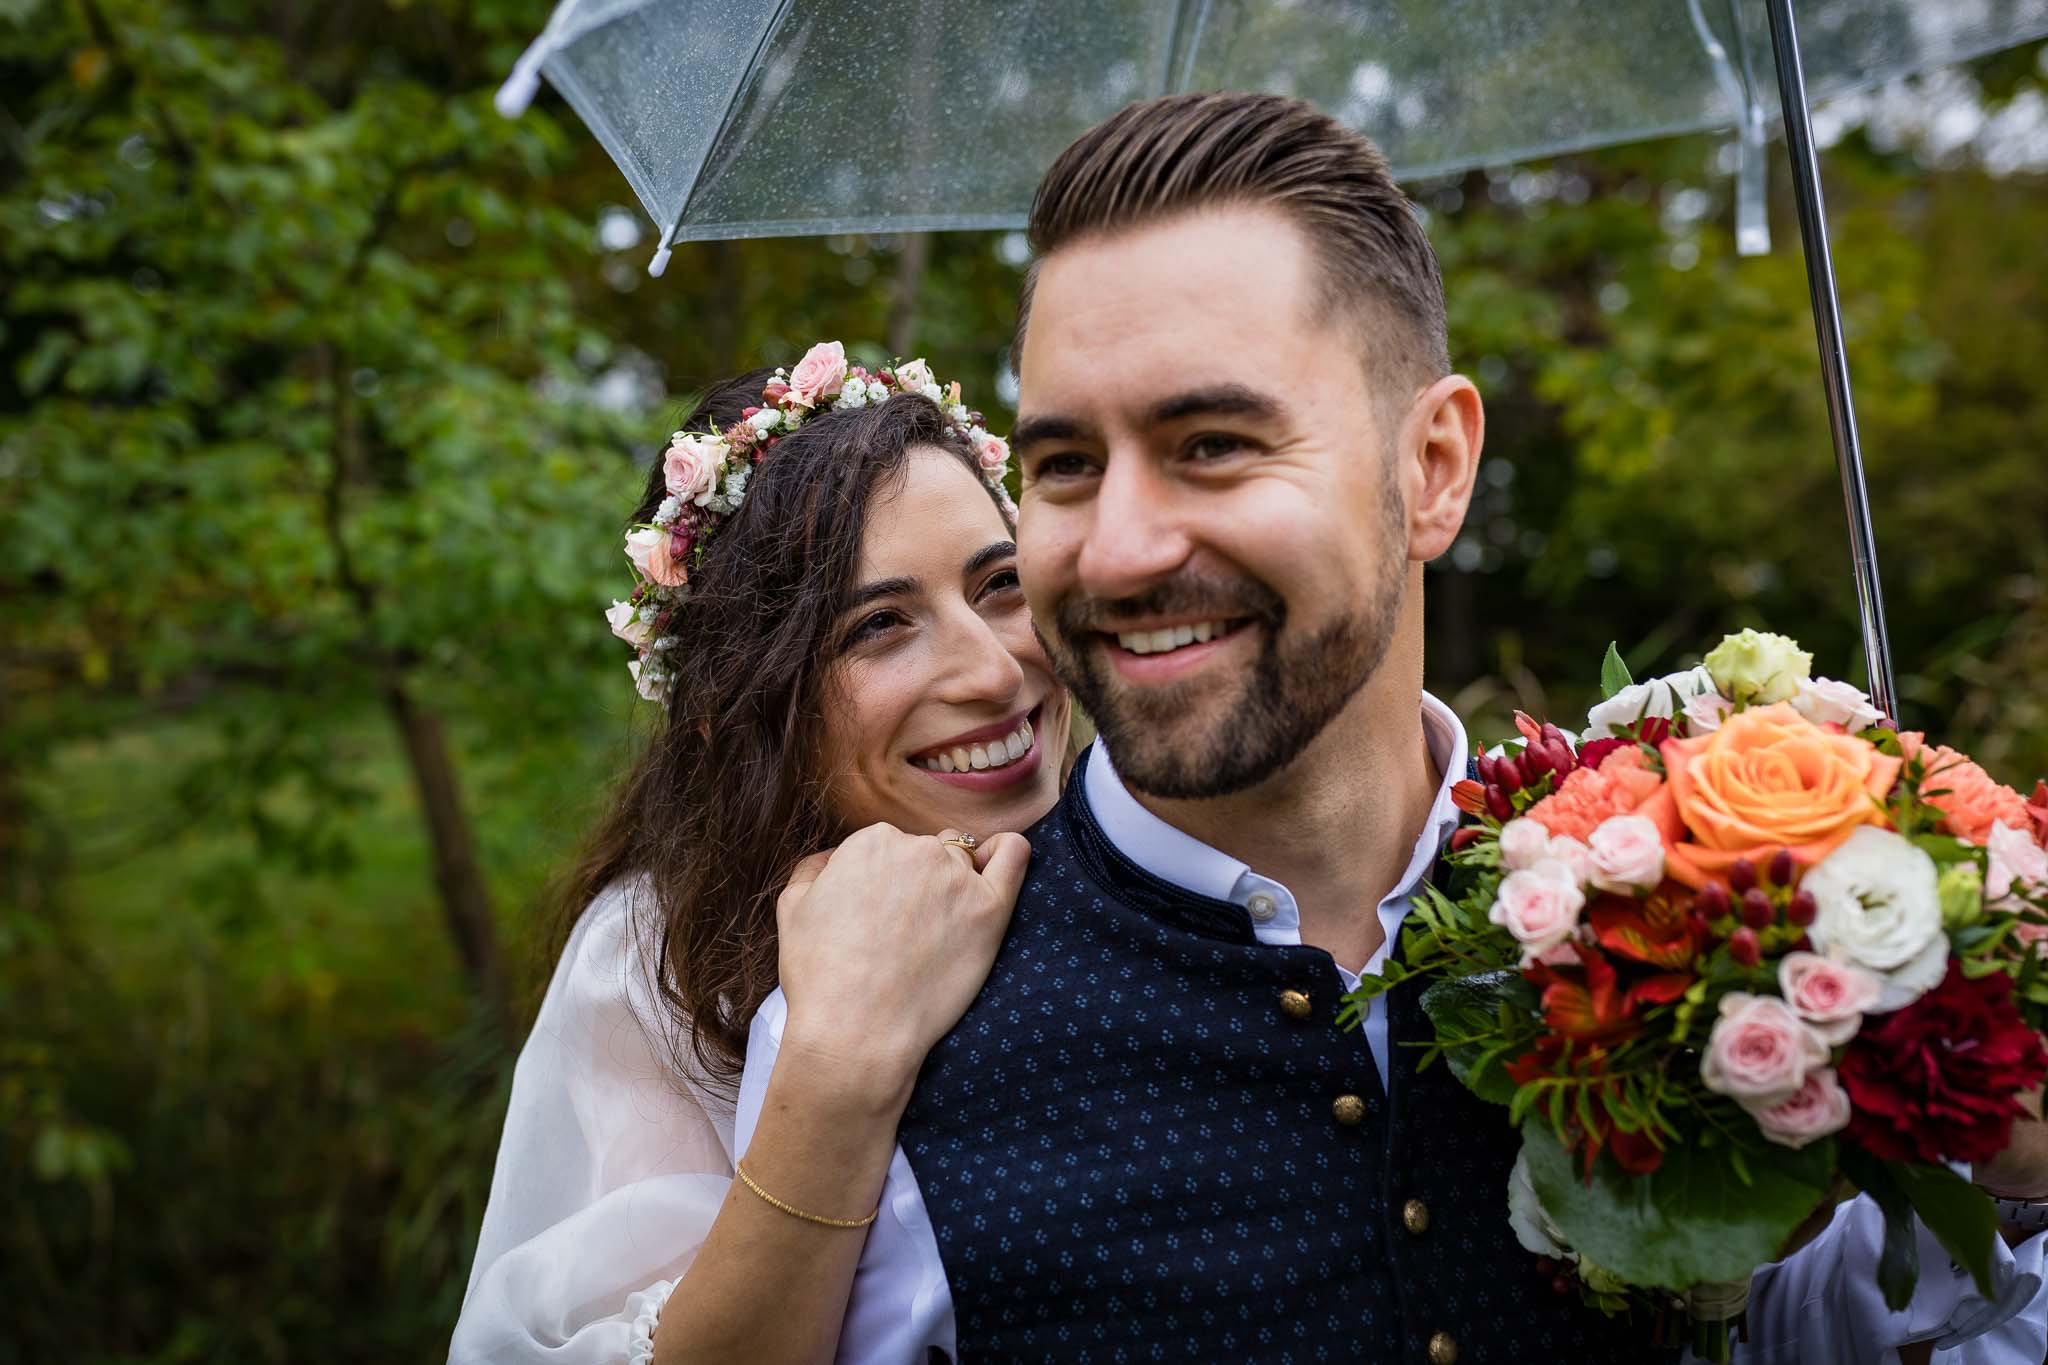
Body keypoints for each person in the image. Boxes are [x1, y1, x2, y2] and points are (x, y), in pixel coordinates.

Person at [736, 92, 2048, 1363]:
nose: (1119, 549)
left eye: (1212, 443)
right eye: (1067, 466)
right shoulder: (879, 1036)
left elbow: (1808, 1320)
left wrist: (2019, 1163)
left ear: (1431, 470)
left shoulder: (1697, 900)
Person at [449, 354, 1074, 1363]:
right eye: (879, 625)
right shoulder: (658, 962)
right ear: (735, 701)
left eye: (999, 584)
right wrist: (836, 1067)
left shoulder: (1164, 838)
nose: (995, 669)